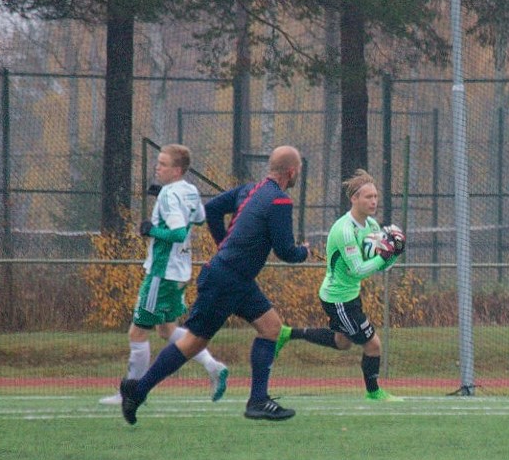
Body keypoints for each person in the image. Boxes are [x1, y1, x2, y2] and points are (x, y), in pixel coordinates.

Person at [119, 145, 310, 424]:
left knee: (271, 329)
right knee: (192, 343)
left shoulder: (249, 190)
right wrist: (304, 251)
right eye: (299, 171)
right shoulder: (280, 201)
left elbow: (212, 209)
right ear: (291, 172)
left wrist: (223, 244)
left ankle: (258, 401)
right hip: (226, 280)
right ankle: (137, 392)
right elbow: (286, 251)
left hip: (237, 279)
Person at [100, 144, 229, 405]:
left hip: (162, 272)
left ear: (177, 170)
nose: (157, 167)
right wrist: (167, 198)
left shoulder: (170, 194)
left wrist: (151, 230)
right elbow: (200, 218)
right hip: (180, 272)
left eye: (163, 164)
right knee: (166, 329)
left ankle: (131, 393)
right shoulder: (189, 189)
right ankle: (213, 366)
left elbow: (178, 233)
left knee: (137, 333)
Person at [274, 168, 405, 401]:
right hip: (338, 299)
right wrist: (384, 255)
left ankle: (288, 333)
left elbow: (380, 267)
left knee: (342, 342)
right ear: (354, 198)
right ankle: (374, 392)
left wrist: (394, 253)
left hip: (349, 295)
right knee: (373, 345)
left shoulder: (372, 226)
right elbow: (357, 270)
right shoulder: (344, 230)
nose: (374, 201)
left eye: (375, 196)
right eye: (368, 196)